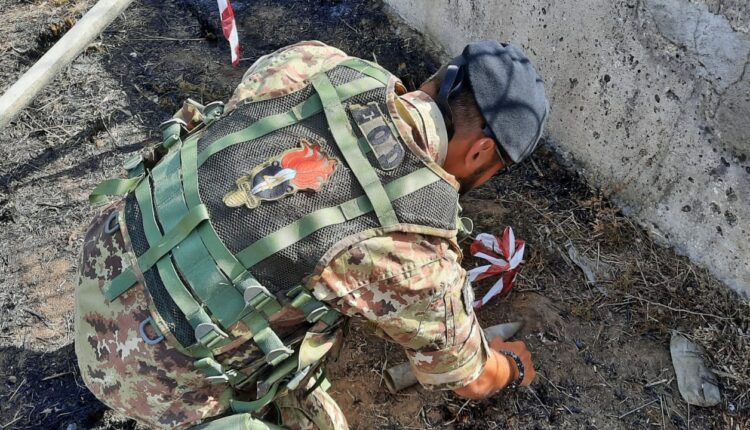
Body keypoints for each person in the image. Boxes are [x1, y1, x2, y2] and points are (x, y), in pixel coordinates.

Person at [74, 39, 549, 429]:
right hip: (142, 375)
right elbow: (469, 377)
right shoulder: (415, 251)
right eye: (495, 169)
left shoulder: (315, 64)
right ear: (481, 151)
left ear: (441, 81)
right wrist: (512, 368)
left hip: (105, 261)